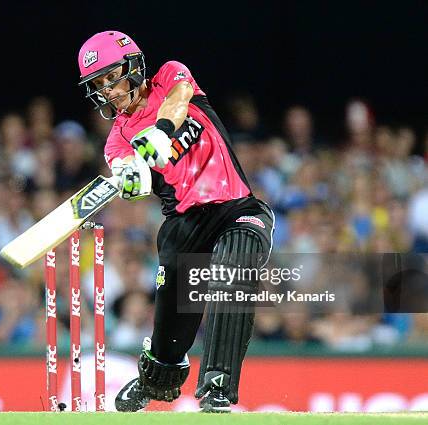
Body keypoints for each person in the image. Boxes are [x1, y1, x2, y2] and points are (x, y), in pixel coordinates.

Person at [77, 31, 275, 413]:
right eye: (99, 86)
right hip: (183, 227)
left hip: (236, 208)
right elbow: (130, 171)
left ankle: (218, 388)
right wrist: (132, 176)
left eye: (112, 77)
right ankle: (156, 379)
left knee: (233, 272)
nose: (110, 91)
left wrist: (162, 133)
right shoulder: (117, 142)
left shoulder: (169, 75)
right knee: (169, 337)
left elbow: (180, 99)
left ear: (133, 67)